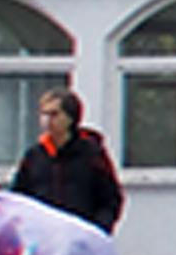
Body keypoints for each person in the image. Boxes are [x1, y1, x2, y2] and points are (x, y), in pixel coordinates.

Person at [11, 88, 124, 235]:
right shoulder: (34, 156)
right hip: (43, 238)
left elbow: (110, 199)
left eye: (54, 114)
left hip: (80, 236)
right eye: (43, 114)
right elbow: (20, 197)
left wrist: (98, 229)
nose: (47, 120)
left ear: (70, 118)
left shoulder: (91, 154)